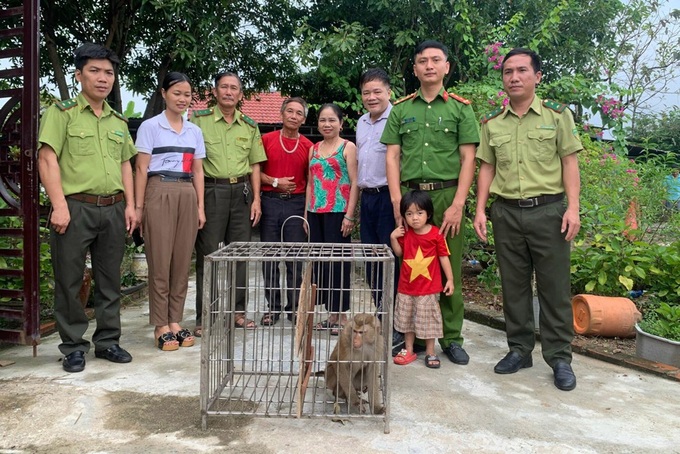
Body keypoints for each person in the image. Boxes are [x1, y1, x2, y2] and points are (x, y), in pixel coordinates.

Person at [473, 48, 582, 391]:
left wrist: (573, 208)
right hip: (506, 212)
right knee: (514, 287)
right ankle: (519, 349)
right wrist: (479, 209)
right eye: (508, 72)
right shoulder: (492, 122)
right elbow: (487, 167)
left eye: (522, 70)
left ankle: (560, 357)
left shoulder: (557, 116)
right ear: (502, 78)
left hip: (549, 211)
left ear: (537, 76)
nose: (514, 77)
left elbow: (569, 163)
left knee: (554, 288)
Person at [37, 43, 137, 372]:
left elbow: (126, 165)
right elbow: (47, 158)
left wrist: (131, 206)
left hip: (112, 208)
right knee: (69, 279)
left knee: (110, 279)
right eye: (94, 71)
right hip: (75, 208)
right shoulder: (61, 113)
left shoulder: (118, 121)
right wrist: (58, 205)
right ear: (79, 75)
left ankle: (108, 341)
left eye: (108, 72)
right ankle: (73, 346)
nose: (102, 78)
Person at [382, 40, 479, 364]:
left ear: (446, 67)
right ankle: (416, 338)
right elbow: (393, 156)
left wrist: (458, 203)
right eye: (422, 61)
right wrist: (397, 200)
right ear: (414, 69)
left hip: (446, 196)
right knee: (410, 264)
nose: (429, 66)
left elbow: (468, 158)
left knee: (446, 263)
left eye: (436, 60)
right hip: (411, 199)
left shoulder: (460, 109)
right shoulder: (402, 109)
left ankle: (451, 338)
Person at [134, 72, 206, 351]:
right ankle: (160, 323)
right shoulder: (150, 127)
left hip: (186, 191)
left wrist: (200, 206)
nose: (182, 99)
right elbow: (141, 168)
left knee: (181, 261)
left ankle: (175, 320)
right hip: (159, 189)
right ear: (164, 93)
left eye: (187, 94)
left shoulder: (194, 131)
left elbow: (198, 170)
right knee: (160, 259)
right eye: (177, 93)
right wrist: (139, 208)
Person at [191, 71, 267, 334]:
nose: (228, 92)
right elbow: (193, 163)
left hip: (242, 194)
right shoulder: (198, 121)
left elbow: (255, 165)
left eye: (234, 88)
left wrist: (256, 199)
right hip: (212, 191)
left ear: (240, 94)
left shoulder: (249, 125)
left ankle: (237, 312)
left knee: (241, 254)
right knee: (209, 254)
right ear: (215, 92)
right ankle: (205, 316)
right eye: (223, 87)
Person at [356, 68, 403, 349]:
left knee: (391, 260)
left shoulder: (396, 119)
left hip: (390, 197)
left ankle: (397, 323)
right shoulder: (362, 122)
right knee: (372, 261)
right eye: (366, 92)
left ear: (388, 92)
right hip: (367, 198)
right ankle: (382, 316)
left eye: (377, 91)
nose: (372, 97)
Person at [259, 97, 313, 325]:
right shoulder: (266, 139)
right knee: (270, 257)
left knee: (295, 259)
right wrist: (274, 182)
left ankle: (294, 308)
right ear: (281, 114)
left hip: (296, 203)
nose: (293, 116)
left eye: (298, 113)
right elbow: (254, 172)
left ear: (304, 119)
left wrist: (308, 212)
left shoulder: (309, 146)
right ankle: (273, 307)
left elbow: (311, 181)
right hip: (270, 201)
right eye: (289, 111)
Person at [306, 103, 359, 334]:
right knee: (321, 263)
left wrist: (350, 215)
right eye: (322, 120)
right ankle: (331, 314)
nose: (327, 124)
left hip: (339, 212)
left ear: (341, 123)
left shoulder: (348, 147)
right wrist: (306, 214)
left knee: (338, 262)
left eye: (332, 120)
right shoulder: (314, 149)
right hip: (316, 212)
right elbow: (310, 183)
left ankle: (342, 315)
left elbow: (356, 182)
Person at [391, 191, 453, 369]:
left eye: (419, 213)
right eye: (409, 214)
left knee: (428, 321)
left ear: (428, 214)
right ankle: (409, 349)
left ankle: (430, 352)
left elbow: (443, 257)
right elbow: (399, 253)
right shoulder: (405, 234)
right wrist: (393, 237)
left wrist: (449, 280)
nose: (414, 218)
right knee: (408, 320)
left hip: (428, 288)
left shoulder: (435, 234)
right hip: (407, 287)